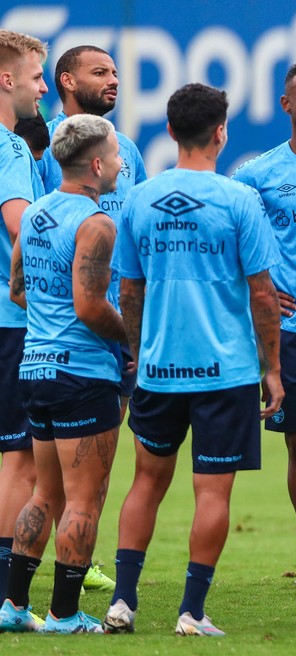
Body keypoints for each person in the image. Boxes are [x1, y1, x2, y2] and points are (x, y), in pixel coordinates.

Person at [101, 83, 284, 636]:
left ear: (172, 131)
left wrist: (137, 348)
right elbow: (262, 295)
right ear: (222, 132)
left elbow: (127, 291)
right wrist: (271, 370)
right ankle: (191, 611)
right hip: (225, 373)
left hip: (158, 368)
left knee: (145, 484)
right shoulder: (238, 200)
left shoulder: (140, 198)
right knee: (213, 490)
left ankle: (123, 603)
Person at [2, 114, 123, 634]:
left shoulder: (36, 213)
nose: (120, 163)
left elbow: (17, 289)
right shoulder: (96, 222)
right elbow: (91, 305)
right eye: (116, 155)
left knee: (43, 494)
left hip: (34, 365)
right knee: (84, 498)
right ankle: (65, 613)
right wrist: (132, 339)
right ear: (97, 164)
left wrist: (50, 324)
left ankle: (12, 606)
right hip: (82, 374)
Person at [38, 44, 148, 595]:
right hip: (79, 330)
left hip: (114, 326)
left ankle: (81, 560)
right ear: (65, 79)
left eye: (115, 71)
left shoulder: (124, 146)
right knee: (60, 475)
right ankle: (63, 591)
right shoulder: (47, 147)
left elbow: (143, 222)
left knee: (97, 465)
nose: (112, 80)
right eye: (99, 71)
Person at [233, 58, 296, 588]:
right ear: (285, 105)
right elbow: (229, 237)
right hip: (292, 335)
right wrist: (262, 287)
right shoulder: (257, 174)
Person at [0, 28, 47, 617]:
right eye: (37, 76)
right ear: (7, 79)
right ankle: (6, 597)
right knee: (21, 457)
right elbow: (20, 225)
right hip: (12, 321)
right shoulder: (10, 147)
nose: (43, 87)